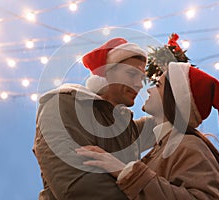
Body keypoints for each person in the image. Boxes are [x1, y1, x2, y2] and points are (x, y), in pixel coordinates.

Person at [75, 34, 219, 199]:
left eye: (158, 85)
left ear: (173, 99)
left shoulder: (190, 145)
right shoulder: (163, 145)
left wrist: (125, 171)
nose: (147, 89)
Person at [33, 37, 156, 199]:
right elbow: (76, 184)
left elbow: (167, 122)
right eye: (132, 74)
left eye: (141, 78)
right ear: (107, 72)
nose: (139, 84)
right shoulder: (62, 104)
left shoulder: (127, 128)